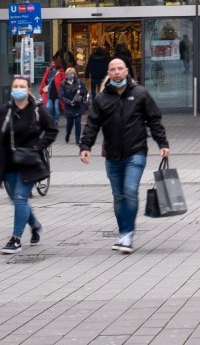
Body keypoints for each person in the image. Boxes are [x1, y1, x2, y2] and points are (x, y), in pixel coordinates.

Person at [79, 58, 170, 254]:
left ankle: (128, 234)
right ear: (109, 73)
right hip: (112, 154)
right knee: (118, 196)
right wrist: (85, 146)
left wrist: (162, 143)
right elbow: (92, 124)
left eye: (120, 68)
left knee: (129, 190)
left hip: (135, 152)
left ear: (127, 71)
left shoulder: (140, 94)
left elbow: (154, 119)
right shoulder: (102, 99)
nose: (117, 72)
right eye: (113, 69)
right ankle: (122, 233)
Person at [0, 75, 57, 254]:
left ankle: (15, 239)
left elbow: (52, 130)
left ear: (28, 90)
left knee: (20, 198)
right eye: (15, 86)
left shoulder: (37, 110)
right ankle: (35, 225)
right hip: (9, 163)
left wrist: (38, 147)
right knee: (16, 199)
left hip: (29, 162)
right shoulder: (5, 110)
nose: (18, 89)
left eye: (22, 86)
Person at [59, 63, 89, 144]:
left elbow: (85, 91)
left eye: (72, 74)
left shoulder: (79, 82)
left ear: (74, 74)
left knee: (78, 123)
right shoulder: (63, 84)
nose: (70, 75)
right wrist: (69, 102)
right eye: (69, 74)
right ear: (66, 75)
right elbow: (61, 96)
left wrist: (80, 91)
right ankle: (68, 134)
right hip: (69, 107)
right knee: (69, 124)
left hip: (78, 106)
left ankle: (77, 139)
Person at [39, 59, 64, 124]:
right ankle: (52, 120)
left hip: (57, 93)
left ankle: (56, 120)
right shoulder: (48, 71)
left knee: (57, 109)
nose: (52, 64)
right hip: (49, 93)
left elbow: (64, 82)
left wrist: (63, 91)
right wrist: (41, 91)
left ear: (56, 64)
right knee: (48, 107)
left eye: (53, 63)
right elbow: (43, 81)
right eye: (51, 63)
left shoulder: (60, 72)